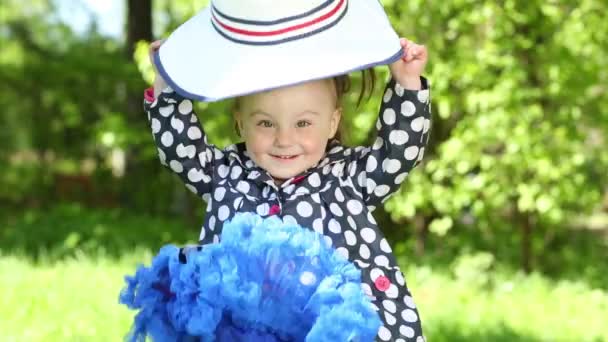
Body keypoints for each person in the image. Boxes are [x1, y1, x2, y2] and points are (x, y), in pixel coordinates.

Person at [142, 1, 431, 340]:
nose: (284, 139)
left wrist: (407, 87)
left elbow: (398, 155)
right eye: (265, 122)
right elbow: (181, 153)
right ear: (240, 122)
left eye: (303, 123)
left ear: (332, 122)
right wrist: (167, 87)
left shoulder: (347, 176)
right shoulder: (226, 175)